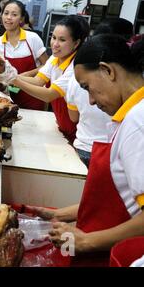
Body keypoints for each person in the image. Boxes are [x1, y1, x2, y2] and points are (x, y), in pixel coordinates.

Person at [31, 35, 144, 266]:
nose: (91, 101)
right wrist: (62, 214)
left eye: (88, 88)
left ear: (107, 71)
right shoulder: (128, 117)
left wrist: (86, 241)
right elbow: (121, 198)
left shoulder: (138, 123)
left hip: (114, 254)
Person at [8, 15, 90, 143]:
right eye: (53, 37)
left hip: (76, 130)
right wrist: (10, 76)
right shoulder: (55, 58)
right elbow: (38, 81)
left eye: (62, 40)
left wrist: (15, 80)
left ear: (76, 43)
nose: (55, 44)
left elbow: (49, 95)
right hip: (61, 123)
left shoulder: (75, 66)